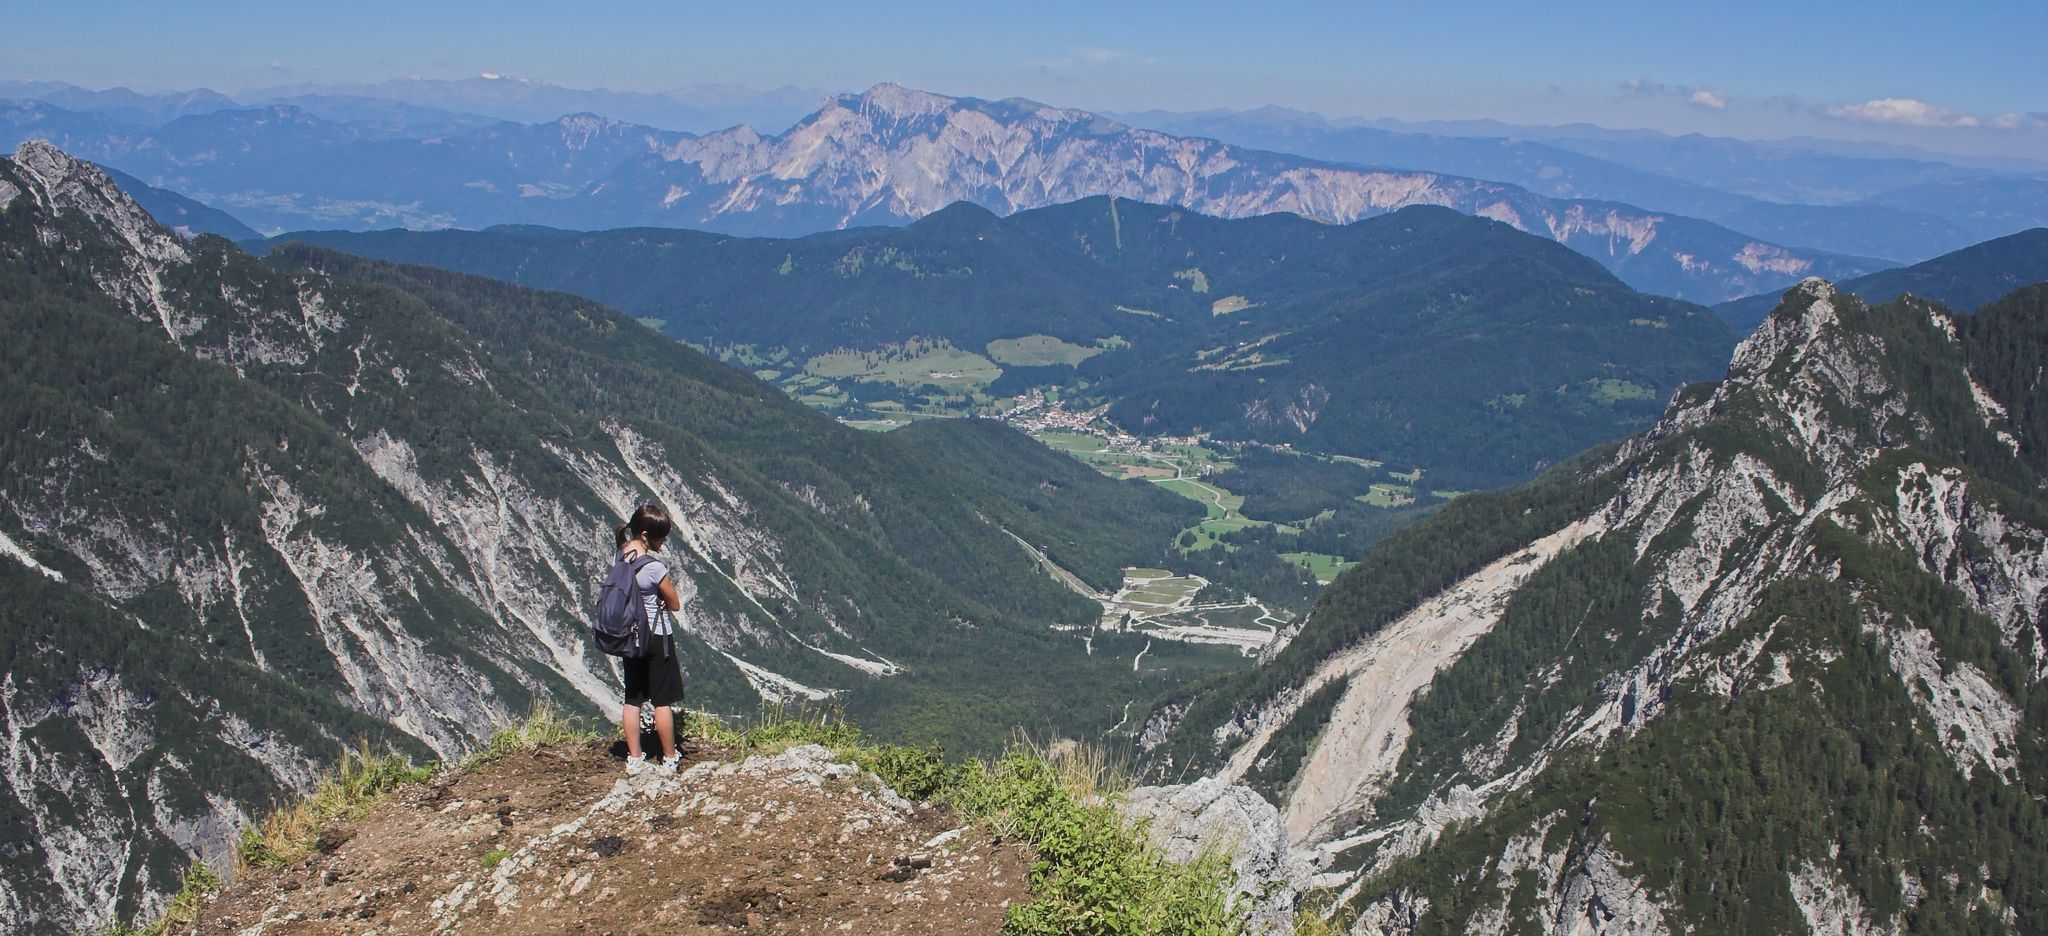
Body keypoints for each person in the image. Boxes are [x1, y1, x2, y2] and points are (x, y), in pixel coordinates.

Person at [614, 504, 685, 775]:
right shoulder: (654, 567)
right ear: (645, 535)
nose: (663, 542)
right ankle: (669, 758)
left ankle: (634, 757)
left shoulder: (619, 557)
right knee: (661, 701)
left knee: (633, 699)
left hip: (629, 637)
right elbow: (674, 603)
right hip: (656, 637)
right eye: (660, 537)